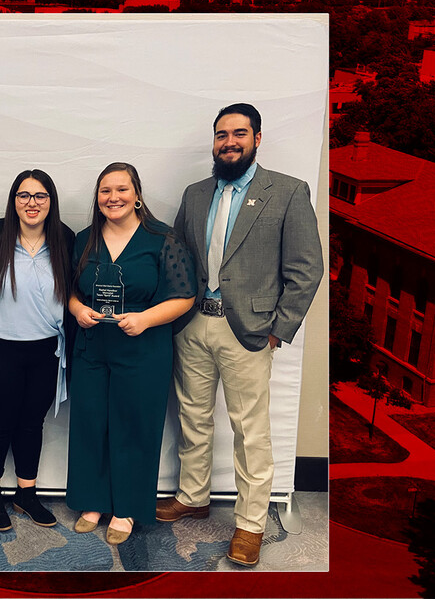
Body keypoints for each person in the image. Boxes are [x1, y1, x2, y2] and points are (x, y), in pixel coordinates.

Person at [156, 103, 323, 567]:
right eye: (221, 135)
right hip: (193, 325)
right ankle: (192, 495)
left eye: (239, 133)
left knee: (251, 431)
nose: (229, 142)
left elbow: (307, 269)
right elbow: (178, 259)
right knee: (193, 416)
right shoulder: (194, 194)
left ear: (257, 138)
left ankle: (250, 525)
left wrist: (278, 330)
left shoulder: (287, 192)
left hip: (250, 333)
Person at [66, 162, 196, 545]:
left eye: (121, 189)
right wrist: (77, 310)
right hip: (92, 347)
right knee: (91, 423)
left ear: (137, 195)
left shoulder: (163, 239)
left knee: (134, 428)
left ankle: (125, 508)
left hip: (143, 348)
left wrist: (145, 319)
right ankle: (92, 501)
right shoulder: (85, 238)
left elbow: (185, 296)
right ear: (98, 198)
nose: (113, 197)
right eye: (105, 191)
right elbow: (71, 289)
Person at [0, 169, 75, 532]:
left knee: (32, 424)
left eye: (40, 196)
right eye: (24, 195)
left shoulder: (64, 238)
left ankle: (26, 494)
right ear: (13, 201)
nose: (32, 203)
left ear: (51, 201)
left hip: (46, 352)